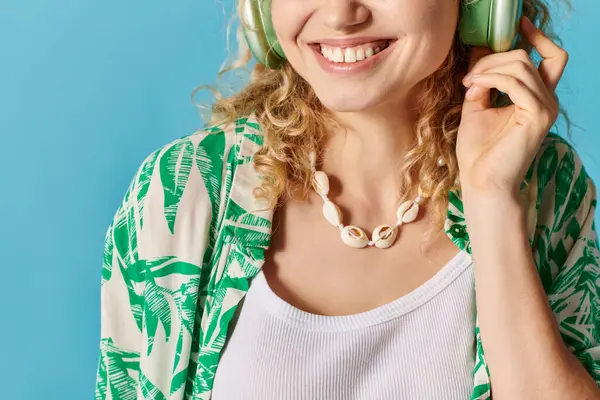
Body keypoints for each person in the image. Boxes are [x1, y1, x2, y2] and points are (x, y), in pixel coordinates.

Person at [95, 0, 600, 399]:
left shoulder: (546, 186)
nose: (340, 14)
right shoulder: (184, 190)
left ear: (478, 5)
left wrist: (492, 200)